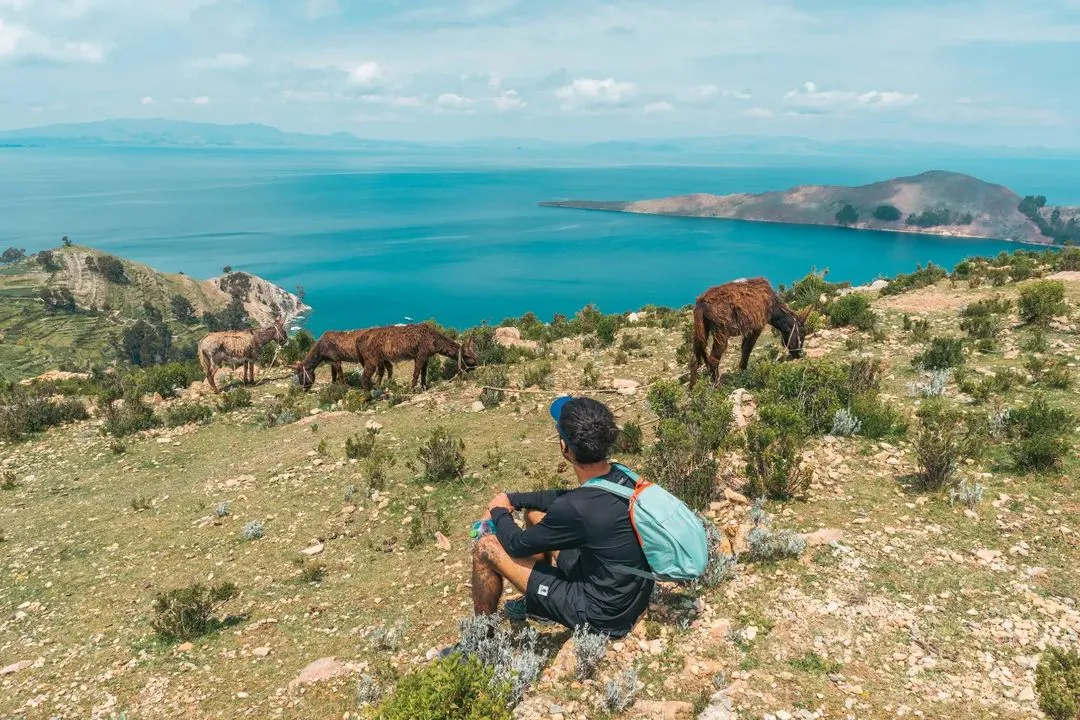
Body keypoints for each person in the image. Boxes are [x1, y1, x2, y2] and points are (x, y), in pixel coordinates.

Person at [471, 395, 654, 637]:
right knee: (535, 514)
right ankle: (540, 607)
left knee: (486, 549)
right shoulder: (622, 476)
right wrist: (512, 499)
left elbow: (516, 545)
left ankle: (480, 642)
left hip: (601, 613)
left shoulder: (574, 508)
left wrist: (499, 511)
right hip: (631, 592)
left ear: (564, 447)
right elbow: (566, 497)